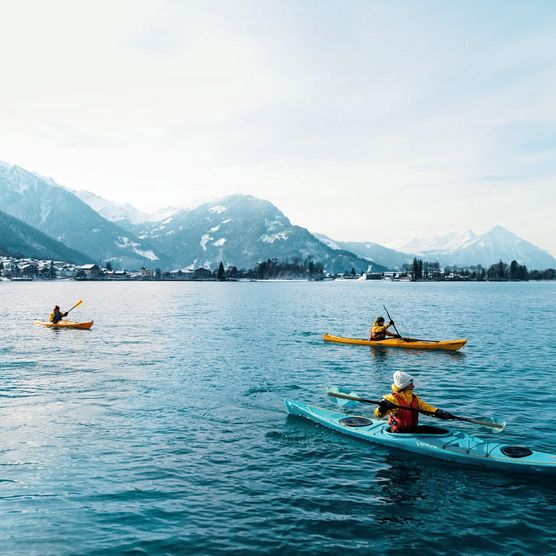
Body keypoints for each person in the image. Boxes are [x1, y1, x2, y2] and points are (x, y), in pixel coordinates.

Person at [374, 371, 454, 433]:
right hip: (399, 433)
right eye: (411, 384)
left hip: (413, 429)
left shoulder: (414, 398)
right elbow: (378, 415)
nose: (413, 385)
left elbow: (426, 408)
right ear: (405, 386)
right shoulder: (391, 400)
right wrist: (383, 408)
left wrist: (438, 412)